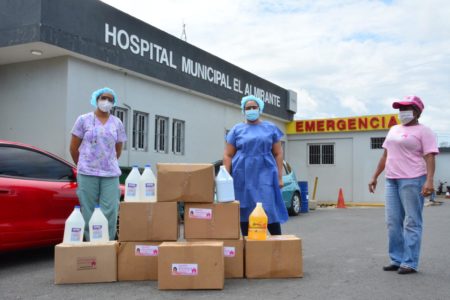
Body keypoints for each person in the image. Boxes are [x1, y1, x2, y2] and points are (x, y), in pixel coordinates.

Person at [368, 95, 438, 275]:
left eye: (406, 108)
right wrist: (375, 176)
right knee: (392, 222)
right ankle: (397, 259)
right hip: (392, 179)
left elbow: (430, 156)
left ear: (417, 111)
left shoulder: (424, 131)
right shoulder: (393, 129)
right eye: (400, 109)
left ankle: (410, 262)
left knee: (412, 222)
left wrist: (429, 180)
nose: (402, 112)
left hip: (413, 179)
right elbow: (385, 155)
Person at [223, 95, 289, 236]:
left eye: (254, 107)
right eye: (248, 108)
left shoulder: (270, 128)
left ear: (260, 109)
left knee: (268, 207)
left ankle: (279, 245)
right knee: (244, 208)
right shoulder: (236, 130)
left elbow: (278, 153)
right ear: (243, 110)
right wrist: (226, 178)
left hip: (265, 173)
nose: (251, 110)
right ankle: (249, 247)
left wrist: (279, 177)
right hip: (242, 174)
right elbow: (228, 155)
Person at [70, 87, 127, 241]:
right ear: (96, 100)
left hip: (110, 173)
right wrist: (83, 164)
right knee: (88, 209)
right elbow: (73, 147)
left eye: (110, 99)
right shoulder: (83, 119)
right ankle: (91, 243)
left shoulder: (117, 123)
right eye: (103, 98)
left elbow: (118, 149)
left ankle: (107, 243)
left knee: (110, 209)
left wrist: (108, 162)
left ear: (113, 103)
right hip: (87, 172)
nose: (106, 102)